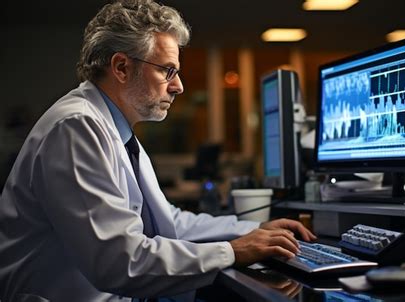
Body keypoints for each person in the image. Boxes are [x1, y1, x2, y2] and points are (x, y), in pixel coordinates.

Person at [0, 0, 316, 301]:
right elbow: (120, 261)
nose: (178, 86)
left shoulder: (116, 130)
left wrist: (254, 230)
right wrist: (234, 251)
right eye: (167, 71)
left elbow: (168, 224)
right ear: (121, 67)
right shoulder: (76, 127)